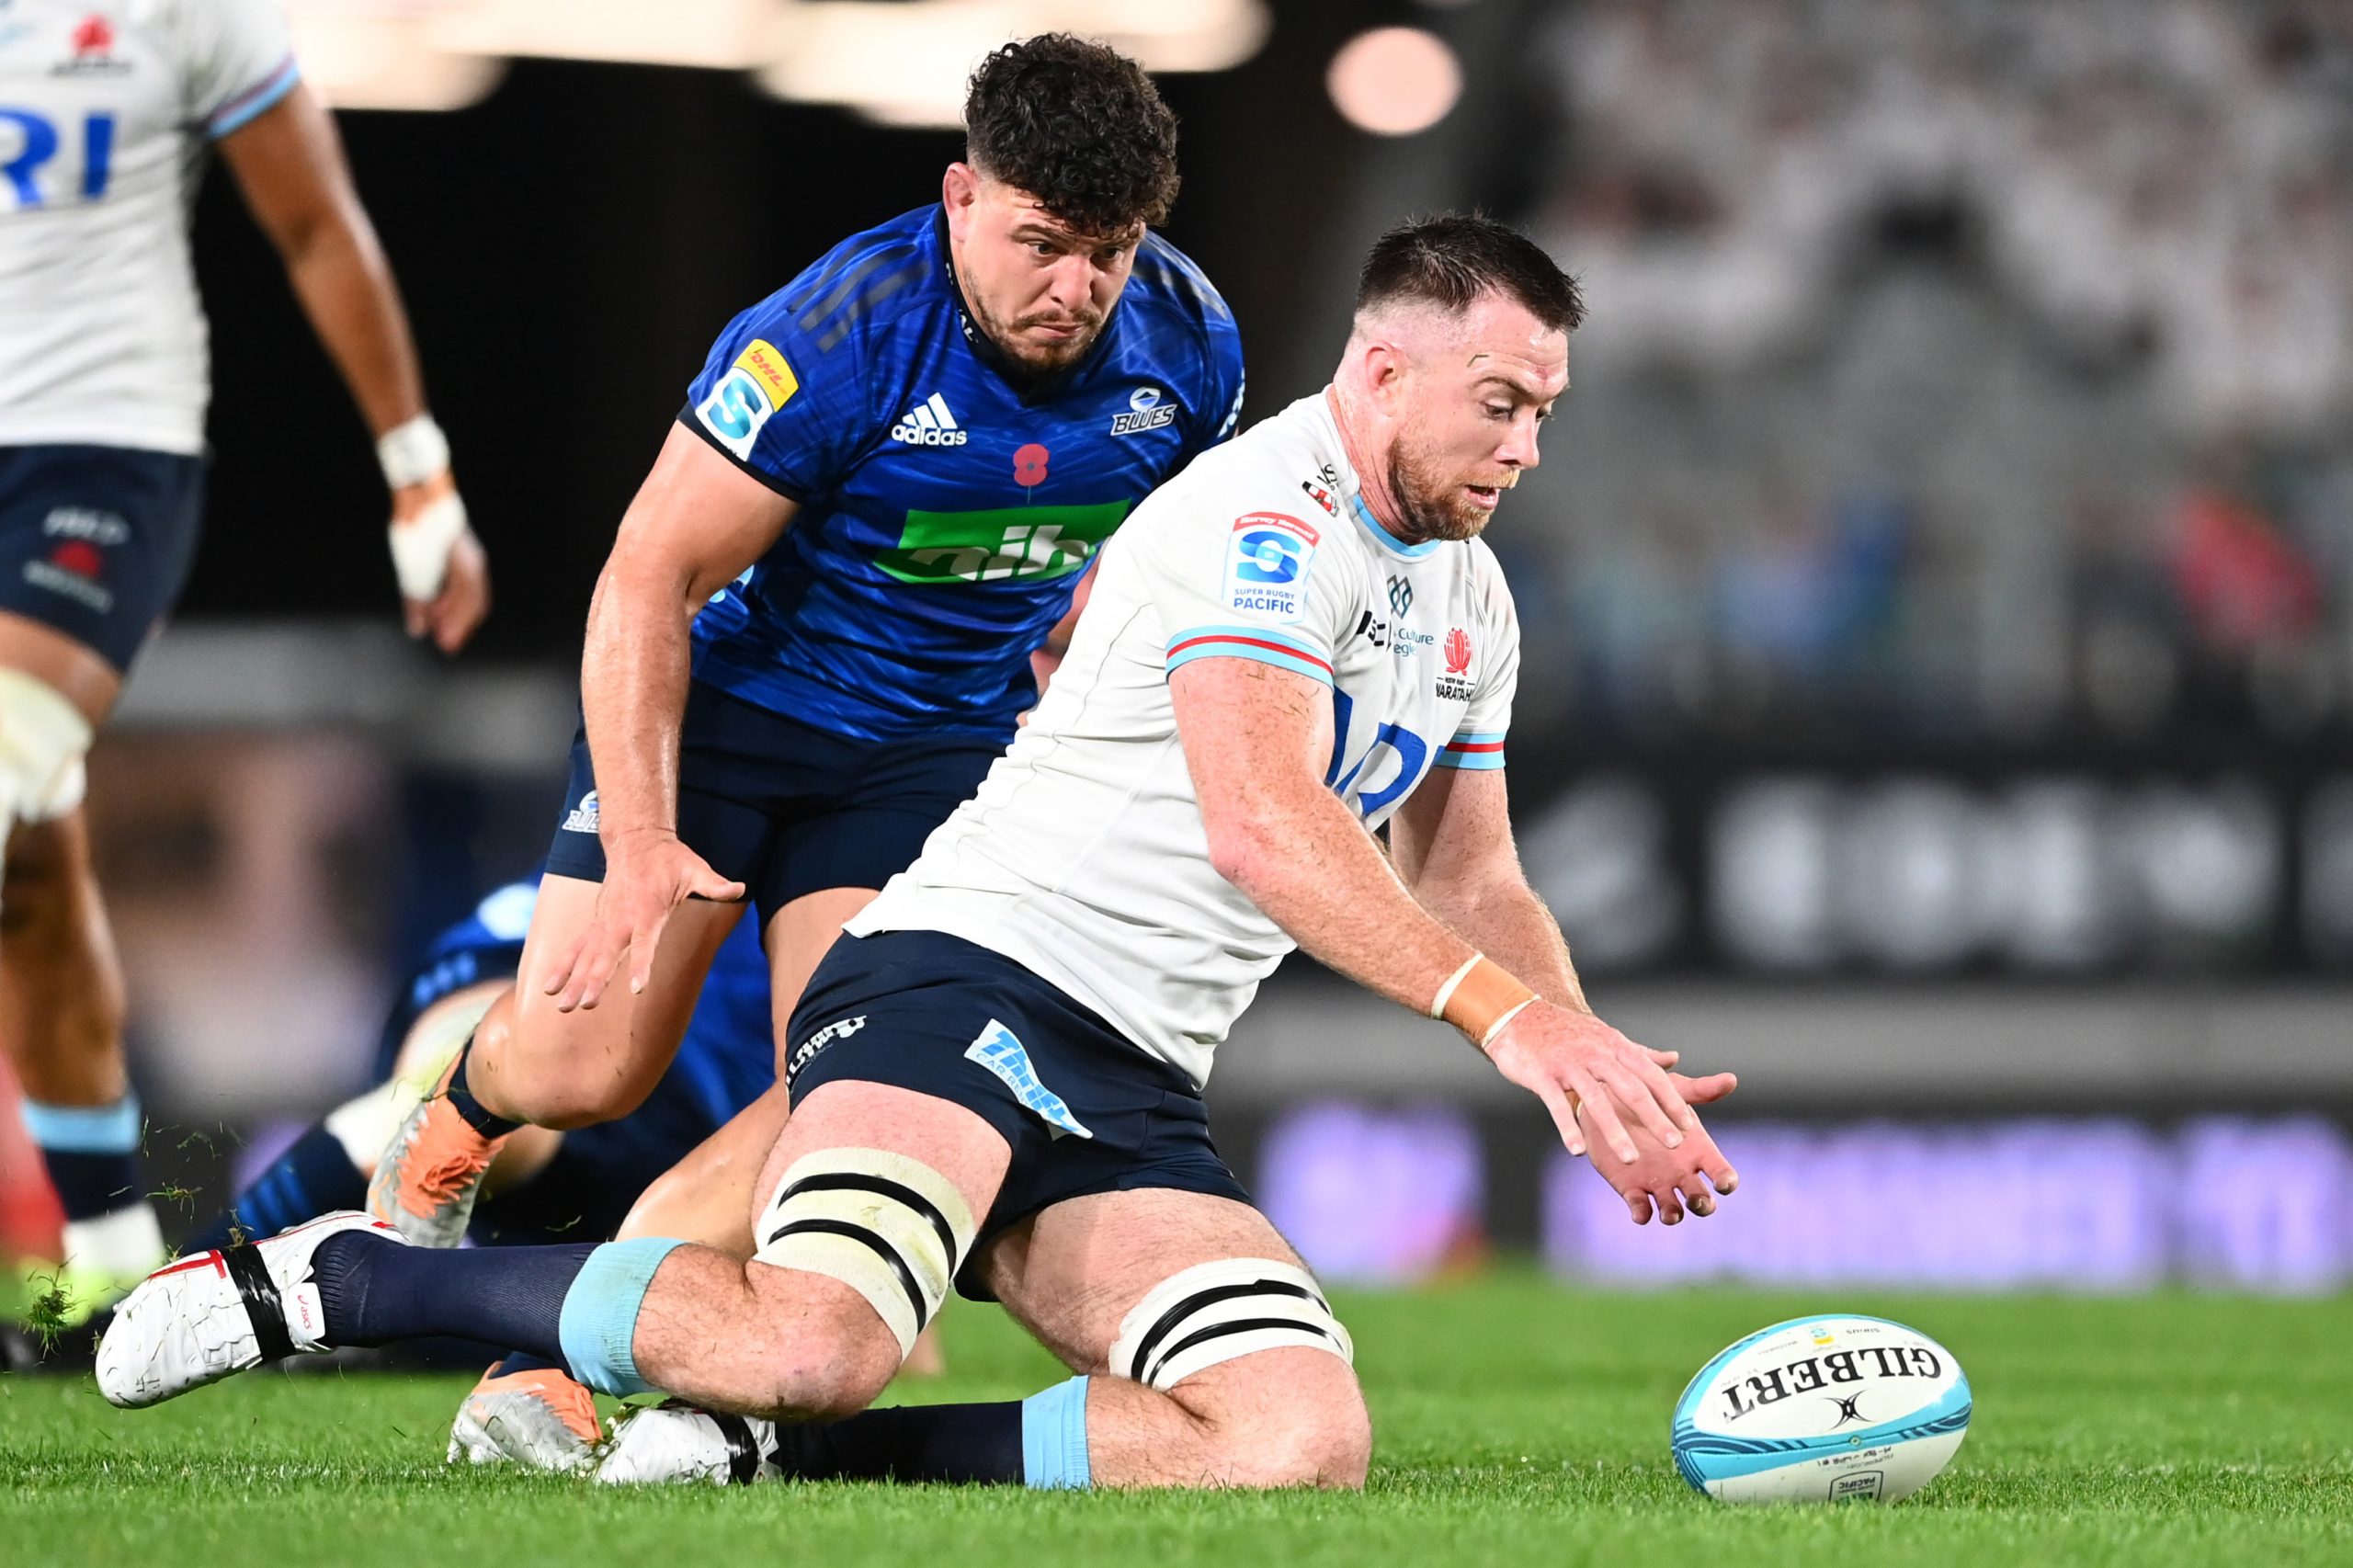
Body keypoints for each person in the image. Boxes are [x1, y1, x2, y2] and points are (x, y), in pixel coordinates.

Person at [97, 214, 1742, 1493]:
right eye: (1503, 404)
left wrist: (1581, 1048)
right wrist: (1503, 1021)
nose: (1527, 445)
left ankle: (761, 1458)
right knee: (820, 1328)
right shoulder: (1269, 522)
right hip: (974, 976)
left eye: (1546, 412)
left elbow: (1473, 874)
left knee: (1291, 1431)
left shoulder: (1471, 595)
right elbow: (1263, 820)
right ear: (1382, 373)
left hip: (1135, 1076)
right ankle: (341, 1281)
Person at [355, 32, 1240, 1448]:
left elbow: (1155, 570)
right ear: (961, 197)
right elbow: (648, 575)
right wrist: (643, 842)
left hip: (930, 759)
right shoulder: (834, 337)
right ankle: (458, 1113)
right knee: (587, 1070)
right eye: (1041, 243)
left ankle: (567, 1363)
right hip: (730, 724)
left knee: (839, 1089)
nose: (1075, 289)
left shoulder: (1191, 351)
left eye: (1111, 253)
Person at [1, 0, 489, 1324]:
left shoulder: (180, 11)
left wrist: (417, 475)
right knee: (30, 871)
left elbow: (317, 222)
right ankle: (103, 1270)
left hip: (98, 462)